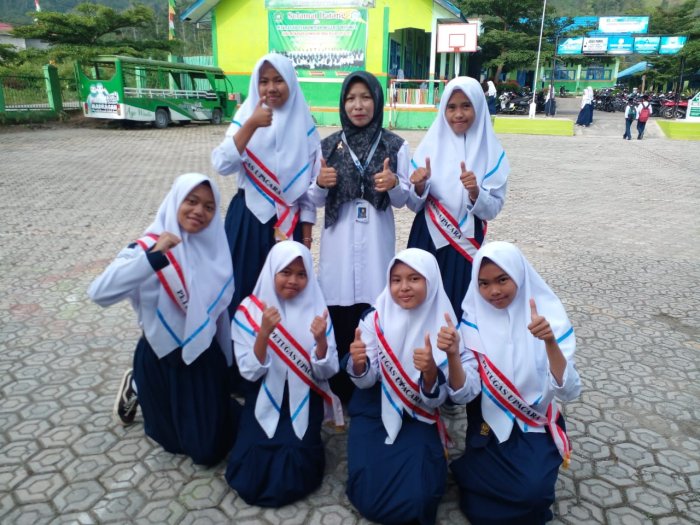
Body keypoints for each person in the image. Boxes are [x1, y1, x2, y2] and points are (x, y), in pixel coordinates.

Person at [88, 173, 240, 466]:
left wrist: (226, 369)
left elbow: (220, 316)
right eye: (191, 201)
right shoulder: (144, 247)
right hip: (160, 354)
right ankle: (138, 384)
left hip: (199, 357)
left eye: (209, 207)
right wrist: (153, 258)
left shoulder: (215, 252)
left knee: (207, 450)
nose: (199, 211)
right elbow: (99, 293)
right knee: (170, 441)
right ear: (175, 201)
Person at [346, 248, 479, 525]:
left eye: (414, 279)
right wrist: (359, 365)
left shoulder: (446, 327)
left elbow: (448, 399)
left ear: (431, 280)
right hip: (374, 409)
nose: (404, 287)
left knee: (418, 495)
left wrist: (430, 374)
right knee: (370, 491)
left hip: (419, 415)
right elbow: (366, 381)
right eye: (396, 280)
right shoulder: (374, 318)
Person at [451, 241, 581, 524]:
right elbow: (463, 393)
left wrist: (550, 343)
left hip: (532, 422)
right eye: (484, 284)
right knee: (480, 495)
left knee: (533, 494)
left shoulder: (549, 319)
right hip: (488, 421)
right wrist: (452, 357)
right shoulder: (472, 321)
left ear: (519, 275)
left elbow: (570, 391)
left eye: (502, 280)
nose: (494, 291)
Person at [308, 71, 410, 403]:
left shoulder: (396, 145)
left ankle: (373, 383)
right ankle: (340, 389)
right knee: (339, 312)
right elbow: (314, 199)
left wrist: (394, 184)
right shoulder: (327, 146)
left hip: (377, 244)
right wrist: (320, 183)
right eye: (351, 98)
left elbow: (404, 200)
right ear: (343, 103)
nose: (358, 105)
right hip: (338, 246)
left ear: (377, 101)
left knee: (375, 308)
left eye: (366, 97)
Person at [225, 241, 343, 507]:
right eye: (286, 272)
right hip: (263, 393)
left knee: (295, 456)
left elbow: (328, 370)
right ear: (271, 272)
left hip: (305, 397)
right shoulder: (250, 310)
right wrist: (263, 334)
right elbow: (249, 372)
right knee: (254, 461)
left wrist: (321, 342)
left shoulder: (318, 309)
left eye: (301, 274)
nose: (293, 281)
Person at [211, 53, 320, 319]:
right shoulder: (246, 116)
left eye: (278, 80)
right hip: (247, 219)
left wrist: (306, 240)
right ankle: (239, 345)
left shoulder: (305, 125)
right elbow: (222, 164)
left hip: (288, 224)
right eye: (264, 81)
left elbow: (308, 193)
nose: (271, 88)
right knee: (241, 289)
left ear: (290, 82)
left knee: (287, 295)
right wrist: (251, 125)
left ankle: (283, 346)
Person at [406, 76, 509, 320]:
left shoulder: (493, 154)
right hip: (428, 237)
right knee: (422, 306)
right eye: (451, 107)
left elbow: (493, 209)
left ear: (479, 107)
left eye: (466, 106)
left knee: (459, 308)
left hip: (467, 243)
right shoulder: (429, 147)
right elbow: (413, 204)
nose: (458, 114)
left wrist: (475, 193)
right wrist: (419, 186)